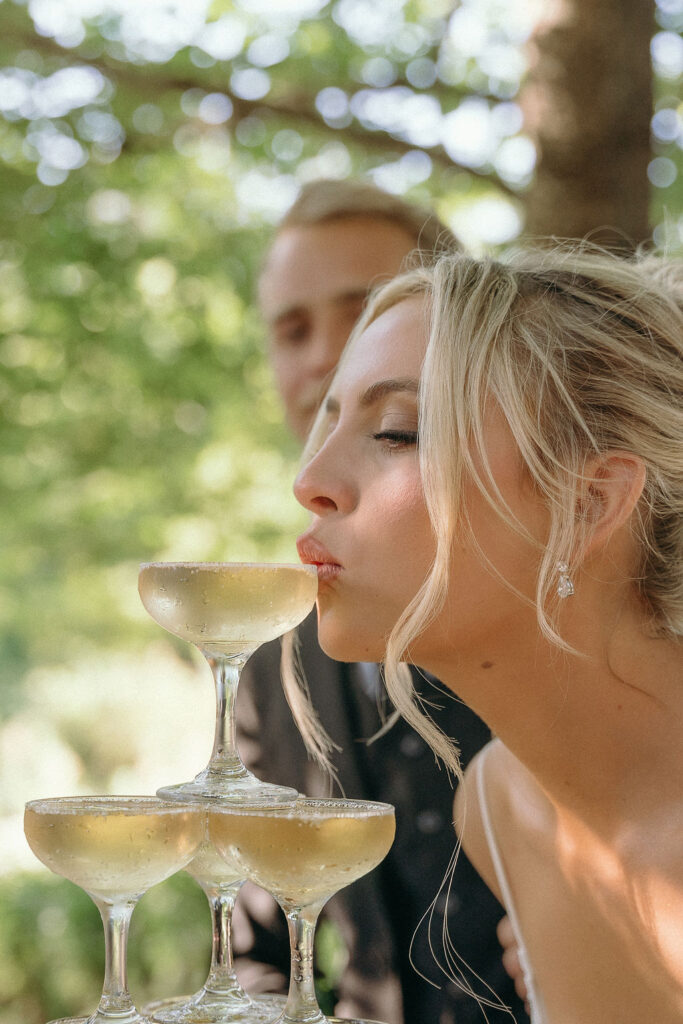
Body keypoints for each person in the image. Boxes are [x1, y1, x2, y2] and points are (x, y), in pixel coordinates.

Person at [292, 246, 683, 1023]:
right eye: (328, 421)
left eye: (397, 432)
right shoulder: (501, 812)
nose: (309, 481)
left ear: (586, 505)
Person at [234, 180, 530, 1024]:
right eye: (292, 328)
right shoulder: (266, 654)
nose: (326, 351)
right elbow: (254, 944)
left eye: (364, 308)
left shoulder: (575, 609)